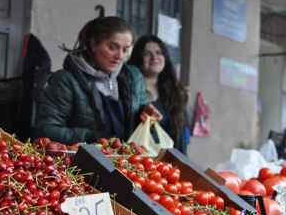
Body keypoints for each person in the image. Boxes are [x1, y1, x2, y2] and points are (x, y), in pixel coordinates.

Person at [33, 16, 162, 145]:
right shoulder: (66, 81)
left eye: (125, 49)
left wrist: (145, 114)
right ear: (93, 44)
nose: (119, 56)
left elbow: (140, 117)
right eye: (113, 47)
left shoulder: (133, 76)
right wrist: (91, 138)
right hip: (82, 162)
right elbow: (46, 130)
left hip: (125, 162)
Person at [128, 35, 189, 155]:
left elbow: (180, 138)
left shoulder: (175, 93)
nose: (154, 57)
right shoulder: (128, 91)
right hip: (136, 162)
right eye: (146, 53)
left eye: (159, 52)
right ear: (138, 58)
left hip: (165, 166)